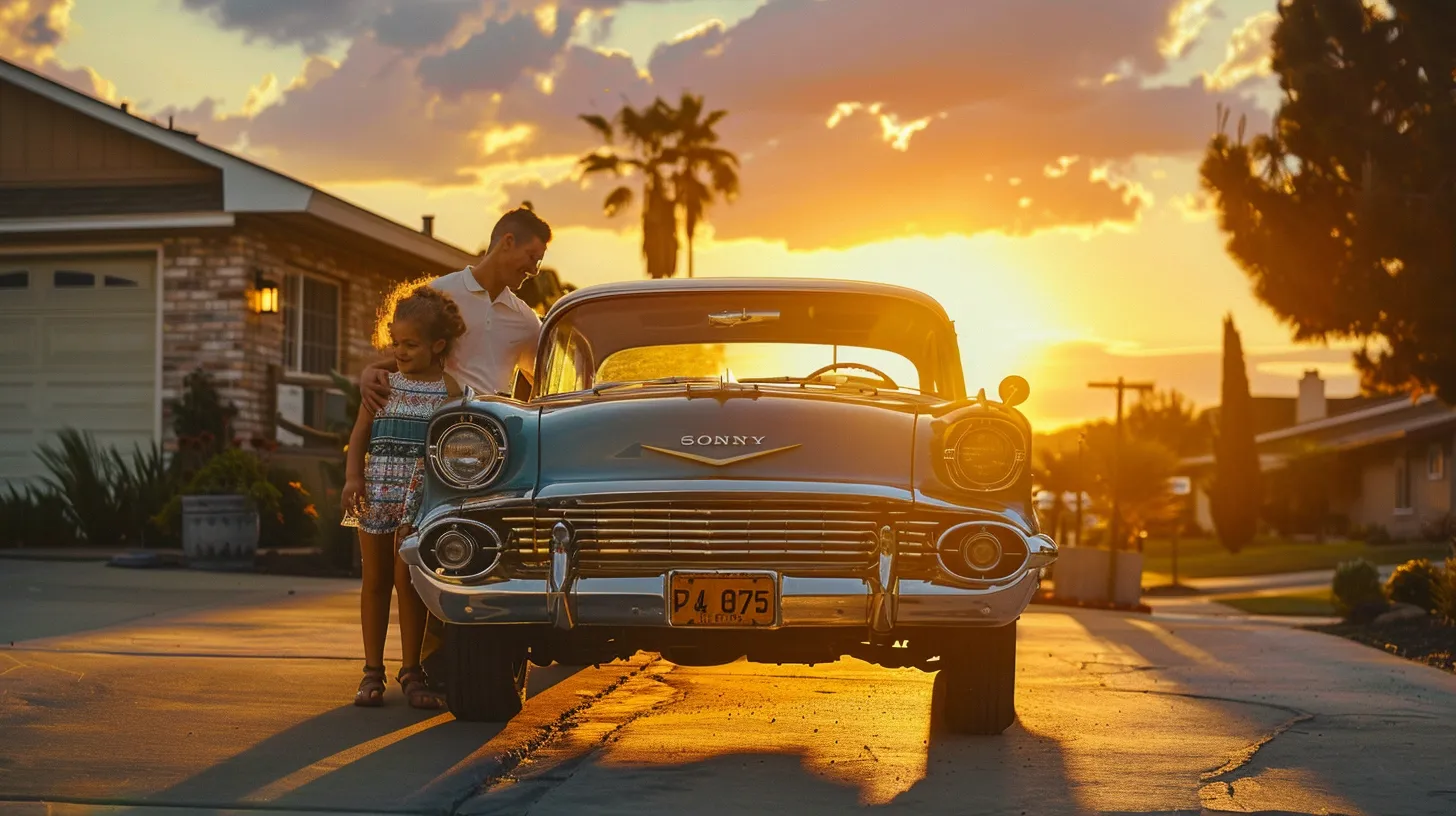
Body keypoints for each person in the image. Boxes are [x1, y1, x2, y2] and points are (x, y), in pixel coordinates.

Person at [358, 207, 552, 689]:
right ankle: (420, 668)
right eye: (531, 256)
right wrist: (372, 368)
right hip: (431, 441)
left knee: (476, 550)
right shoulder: (443, 291)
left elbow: (545, 381)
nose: (534, 269)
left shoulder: (525, 319)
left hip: (490, 453)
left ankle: (453, 663)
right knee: (425, 552)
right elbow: (408, 351)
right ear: (506, 241)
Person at [342, 285, 466, 708]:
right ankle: (371, 672)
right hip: (376, 490)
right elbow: (360, 433)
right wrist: (351, 478)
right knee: (374, 580)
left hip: (419, 497)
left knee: (407, 581)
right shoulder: (383, 385)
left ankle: (413, 671)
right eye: (396, 342)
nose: (400, 351)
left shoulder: (450, 390)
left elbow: (448, 447)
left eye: (410, 344)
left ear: (438, 345)